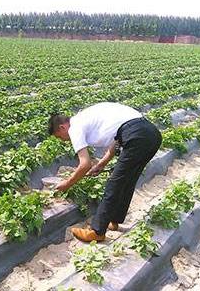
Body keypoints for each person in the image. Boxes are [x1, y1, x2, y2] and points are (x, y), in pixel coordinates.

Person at [48, 102, 162, 242]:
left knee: (114, 184)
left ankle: (97, 231)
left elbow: (85, 164)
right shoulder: (86, 117)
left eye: (60, 136)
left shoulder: (74, 127)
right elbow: (118, 139)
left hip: (136, 136)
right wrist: (101, 164)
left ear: (62, 127)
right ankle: (114, 220)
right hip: (151, 134)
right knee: (128, 180)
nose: (63, 140)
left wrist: (67, 183)